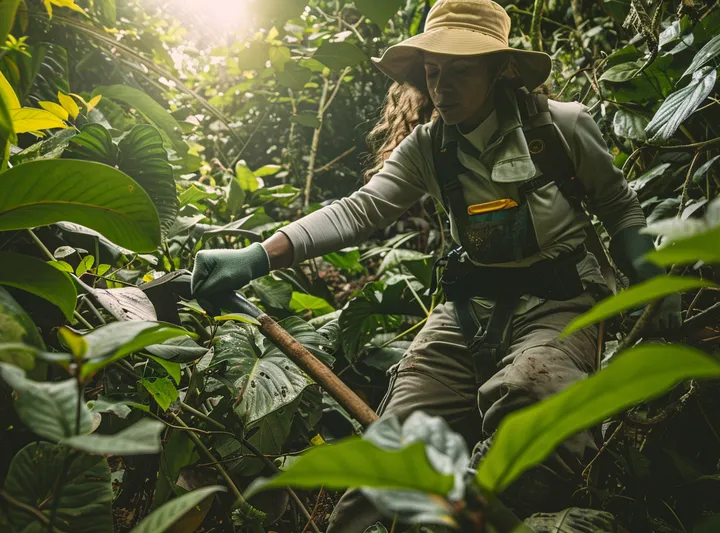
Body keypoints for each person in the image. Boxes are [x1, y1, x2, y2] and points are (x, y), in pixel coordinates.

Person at [191, 0, 682, 531]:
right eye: (433, 72)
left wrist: (651, 276)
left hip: (563, 304)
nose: (442, 87)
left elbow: (617, 205)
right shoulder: (428, 147)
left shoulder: (562, 127)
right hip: (468, 314)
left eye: (461, 70)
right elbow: (361, 210)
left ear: (501, 70)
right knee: (385, 463)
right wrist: (259, 256)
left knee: (535, 396)